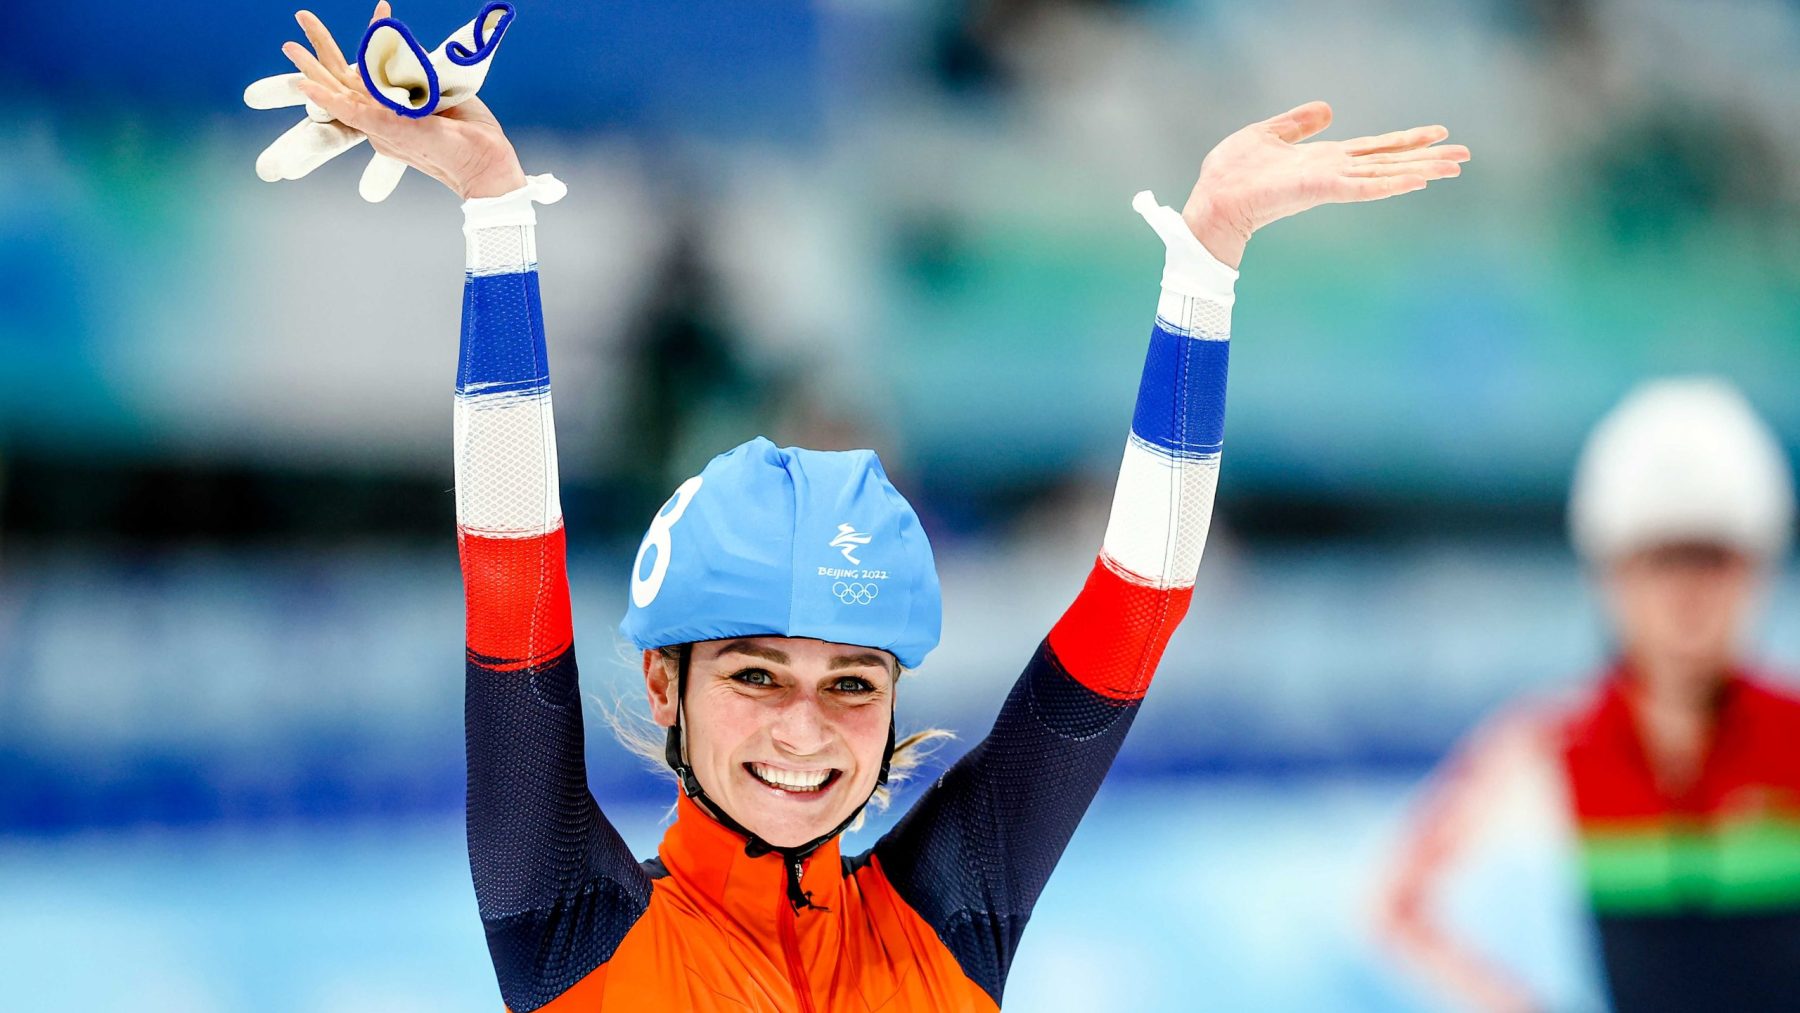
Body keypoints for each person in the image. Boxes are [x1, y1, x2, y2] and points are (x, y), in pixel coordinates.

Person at [272, 6, 1467, 1009]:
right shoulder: (571, 922)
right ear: (663, 686)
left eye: (851, 681)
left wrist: (1205, 264)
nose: (805, 730)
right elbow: (508, 571)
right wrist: (494, 212)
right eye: (756, 673)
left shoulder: (951, 911)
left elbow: (1137, 604)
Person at [1379, 378, 1800, 1012]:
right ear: (1612, 574)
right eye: (1660, 562)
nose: (1687, 596)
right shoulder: (1549, 745)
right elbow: (1397, 908)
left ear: (1755, 572)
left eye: (1712, 560)